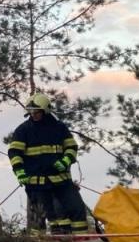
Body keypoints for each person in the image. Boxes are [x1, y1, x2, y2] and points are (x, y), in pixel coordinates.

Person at [7, 92, 90, 234]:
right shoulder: (24, 130)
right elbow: (14, 153)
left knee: (76, 209)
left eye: (36, 112)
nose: (33, 115)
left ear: (45, 111)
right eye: (30, 112)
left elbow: (71, 147)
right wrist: (20, 172)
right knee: (41, 216)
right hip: (37, 182)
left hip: (61, 180)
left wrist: (66, 160)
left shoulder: (59, 128)